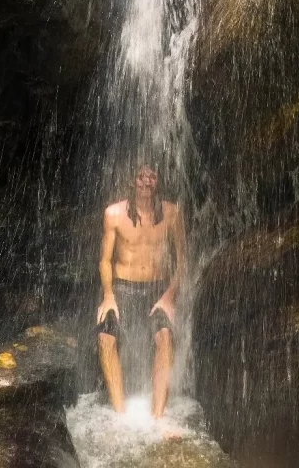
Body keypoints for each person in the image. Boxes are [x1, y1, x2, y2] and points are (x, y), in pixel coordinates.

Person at [96, 162, 186, 418]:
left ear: (158, 181)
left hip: (157, 290)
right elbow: (105, 260)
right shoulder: (113, 214)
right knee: (105, 338)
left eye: (152, 176)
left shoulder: (172, 213)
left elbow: (183, 261)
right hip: (122, 288)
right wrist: (109, 296)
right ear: (132, 181)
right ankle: (121, 415)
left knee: (165, 336)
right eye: (141, 176)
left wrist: (169, 297)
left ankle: (157, 417)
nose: (146, 181)